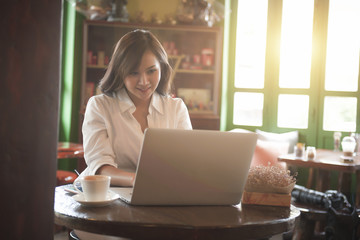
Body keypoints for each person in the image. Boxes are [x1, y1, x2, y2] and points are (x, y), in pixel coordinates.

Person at [79, 29, 192, 187]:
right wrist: (140, 181)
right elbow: (101, 168)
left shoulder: (176, 108)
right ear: (120, 72)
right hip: (108, 194)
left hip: (161, 192)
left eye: (151, 71)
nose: (144, 82)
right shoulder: (100, 106)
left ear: (162, 68)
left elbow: (185, 163)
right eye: (133, 73)